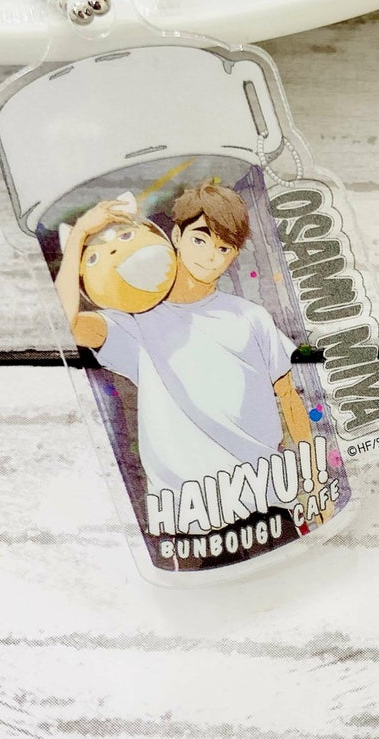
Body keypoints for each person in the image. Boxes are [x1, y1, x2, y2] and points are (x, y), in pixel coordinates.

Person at [56, 179, 316, 520]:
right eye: (199, 239)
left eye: (224, 249)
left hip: (267, 500)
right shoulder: (134, 324)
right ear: (176, 236)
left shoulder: (251, 317)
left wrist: (313, 485)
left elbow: (290, 399)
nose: (210, 256)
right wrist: (79, 235)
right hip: (186, 514)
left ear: (234, 255)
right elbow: (65, 325)